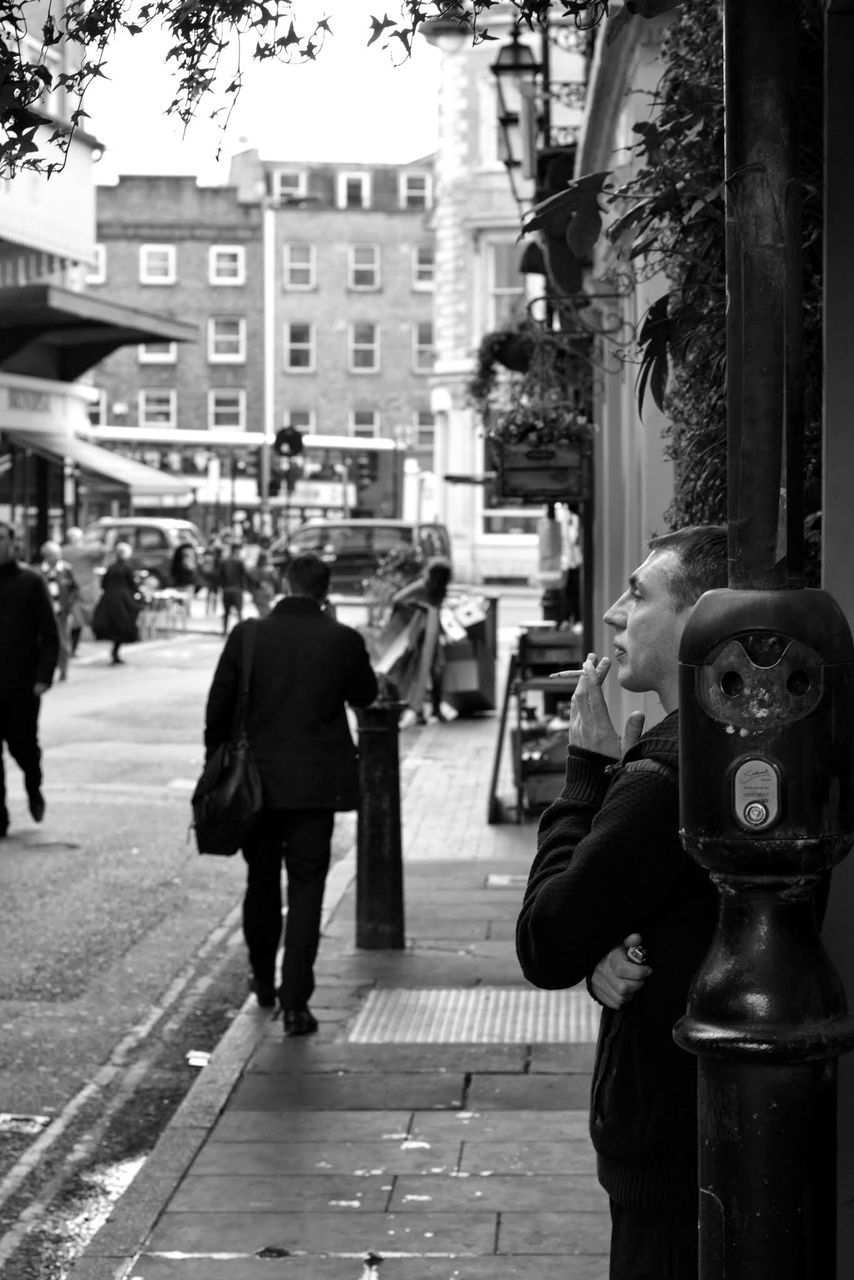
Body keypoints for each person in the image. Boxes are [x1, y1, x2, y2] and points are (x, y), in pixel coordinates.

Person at [516, 525, 729, 1280]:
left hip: (666, 1145)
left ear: (697, 619)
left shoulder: (661, 779)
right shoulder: (719, 750)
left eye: (638, 595)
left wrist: (583, 776)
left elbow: (544, 941)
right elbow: (667, 911)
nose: (612, 613)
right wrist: (614, 936)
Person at [204, 552, 378, 1035]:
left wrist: (214, 771)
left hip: (255, 789)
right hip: (314, 790)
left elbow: (218, 710)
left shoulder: (249, 634)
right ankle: (296, 1002)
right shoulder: (342, 639)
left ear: (283, 583)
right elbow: (365, 696)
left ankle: (262, 982)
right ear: (325, 593)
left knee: (260, 883)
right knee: (306, 891)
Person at [0, 522, 59, 835]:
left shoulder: (30, 581)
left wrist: (43, 676)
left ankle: (33, 788)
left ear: (13, 544)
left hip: (22, 684)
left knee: (23, 747)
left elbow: (50, 633)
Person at [376, 556, 452, 725]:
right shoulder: (422, 587)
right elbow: (397, 599)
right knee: (419, 671)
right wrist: (418, 608)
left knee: (436, 670)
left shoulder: (439, 590)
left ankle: (434, 709)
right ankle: (419, 710)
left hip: (432, 636)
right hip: (418, 636)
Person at [92, 541, 142, 665]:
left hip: (109, 598)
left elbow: (103, 584)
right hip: (122, 600)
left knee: (115, 625)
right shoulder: (127, 568)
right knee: (123, 624)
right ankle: (115, 651)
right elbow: (133, 585)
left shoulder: (111, 568)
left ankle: (115, 651)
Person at [36, 540, 79, 682]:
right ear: (46, 556)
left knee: (63, 643)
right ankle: (47, 670)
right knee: (44, 642)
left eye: (57, 555)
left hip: (62, 613)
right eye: (53, 555)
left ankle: (63, 669)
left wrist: (69, 604)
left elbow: (75, 589)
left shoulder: (66, 569)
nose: (56, 558)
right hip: (44, 614)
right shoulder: (38, 572)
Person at [62, 526, 104, 655]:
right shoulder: (83, 551)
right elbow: (101, 551)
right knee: (80, 620)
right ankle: (73, 648)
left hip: (68, 590)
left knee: (72, 621)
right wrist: (94, 541)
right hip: (83, 589)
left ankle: (69, 647)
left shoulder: (63, 551)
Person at [217, 541, 249, 635]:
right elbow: (245, 576)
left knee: (226, 613)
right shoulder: (239, 561)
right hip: (237, 589)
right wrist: (244, 588)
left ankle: (225, 631)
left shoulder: (224, 561)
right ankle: (242, 632)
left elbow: (220, 576)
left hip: (226, 589)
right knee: (239, 612)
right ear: (237, 550)